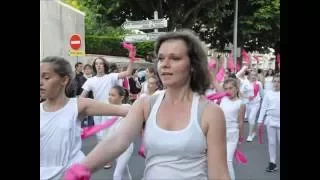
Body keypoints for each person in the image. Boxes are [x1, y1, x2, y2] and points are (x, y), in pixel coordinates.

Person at [64, 30, 230, 180]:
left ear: (193, 65)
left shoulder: (210, 112)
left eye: (175, 58)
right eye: (161, 58)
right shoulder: (145, 104)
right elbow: (118, 140)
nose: (165, 64)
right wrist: (81, 169)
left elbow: (219, 174)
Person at [40, 56, 129, 180]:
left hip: (71, 174)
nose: (40, 82)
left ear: (64, 80)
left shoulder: (77, 105)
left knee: (105, 137)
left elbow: (125, 110)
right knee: (101, 137)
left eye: (46, 77)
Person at [80, 57, 134, 141]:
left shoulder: (111, 77)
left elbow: (128, 72)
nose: (99, 66)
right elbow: (82, 97)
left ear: (104, 65)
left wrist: (132, 58)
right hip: (98, 112)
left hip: (111, 111)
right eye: (96, 64)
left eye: (101, 63)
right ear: (94, 66)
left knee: (113, 137)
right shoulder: (90, 81)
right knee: (101, 138)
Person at [101, 85, 134, 179]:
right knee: (124, 171)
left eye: (113, 95)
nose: (109, 97)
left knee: (117, 174)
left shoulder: (127, 107)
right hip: (114, 147)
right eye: (109, 94)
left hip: (126, 146)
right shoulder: (106, 109)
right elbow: (104, 130)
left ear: (122, 97)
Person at [219, 78, 246, 180]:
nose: (228, 91)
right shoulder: (223, 99)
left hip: (232, 134)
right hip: (219, 133)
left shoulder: (240, 103)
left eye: (231, 88)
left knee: (228, 161)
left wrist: (240, 137)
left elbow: (241, 122)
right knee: (218, 160)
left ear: (237, 88)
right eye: (226, 89)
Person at [257, 74, 280, 172]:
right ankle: (272, 163)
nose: (276, 83)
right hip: (270, 120)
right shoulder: (268, 94)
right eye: (275, 81)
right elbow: (263, 107)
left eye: (279, 82)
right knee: (272, 142)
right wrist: (260, 120)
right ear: (272, 83)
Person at [245, 70, 264, 142]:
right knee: (250, 119)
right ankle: (253, 131)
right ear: (249, 76)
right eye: (252, 75)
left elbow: (262, 93)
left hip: (256, 103)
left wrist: (265, 103)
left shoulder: (258, 83)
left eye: (254, 75)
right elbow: (241, 92)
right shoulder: (245, 83)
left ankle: (250, 135)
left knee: (251, 117)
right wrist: (246, 97)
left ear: (256, 76)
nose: (253, 76)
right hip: (248, 103)